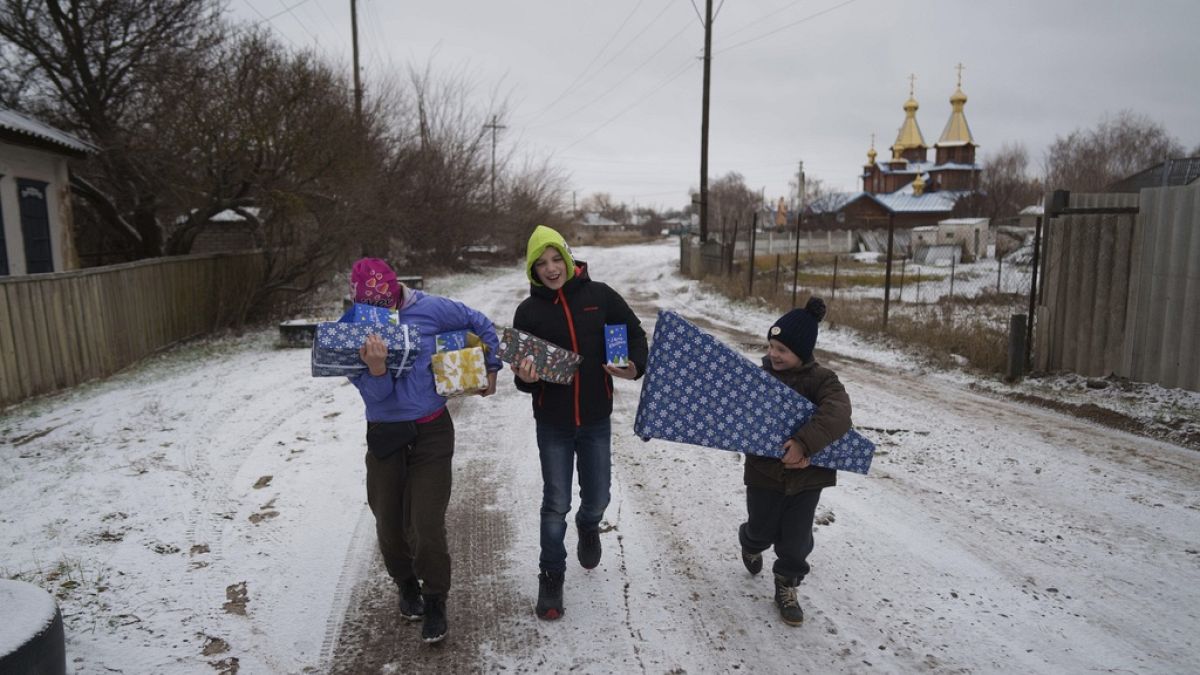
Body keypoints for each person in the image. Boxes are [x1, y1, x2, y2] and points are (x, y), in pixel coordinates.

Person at [347, 257, 501, 644]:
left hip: (432, 429)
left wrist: (490, 366)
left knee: (426, 522)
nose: (383, 313)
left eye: (388, 302)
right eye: (373, 307)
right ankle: (406, 585)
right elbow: (375, 396)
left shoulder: (430, 308)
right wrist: (377, 369)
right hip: (385, 433)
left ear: (397, 289)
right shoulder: (353, 329)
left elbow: (479, 322)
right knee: (389, 524)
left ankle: (435, 598)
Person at [510, 225, 648, 621]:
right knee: (555, 503)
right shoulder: (529, 311)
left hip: (595, 418)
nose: (551, 269)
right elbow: (521, 372)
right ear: (532, 270)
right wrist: (526, 377)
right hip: (552, 422)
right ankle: (551, 575)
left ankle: (589, 525)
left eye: (556, 259)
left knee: (599, 496)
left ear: (569, 258)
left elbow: (635, 333)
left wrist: (634, 366)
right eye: (541, 264)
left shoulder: (600, 296)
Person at [739, 297, 851, 626]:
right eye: (771, 345)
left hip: (808, 478)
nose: (773, 354)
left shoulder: (823, 381)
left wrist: (804, 444)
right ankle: (749, 543)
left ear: (802, 352)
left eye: (783, 350)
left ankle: (786, 585)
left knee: (796, 540)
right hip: (764, 473)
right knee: (761, 530)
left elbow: (838, 414)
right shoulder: (758, 379)